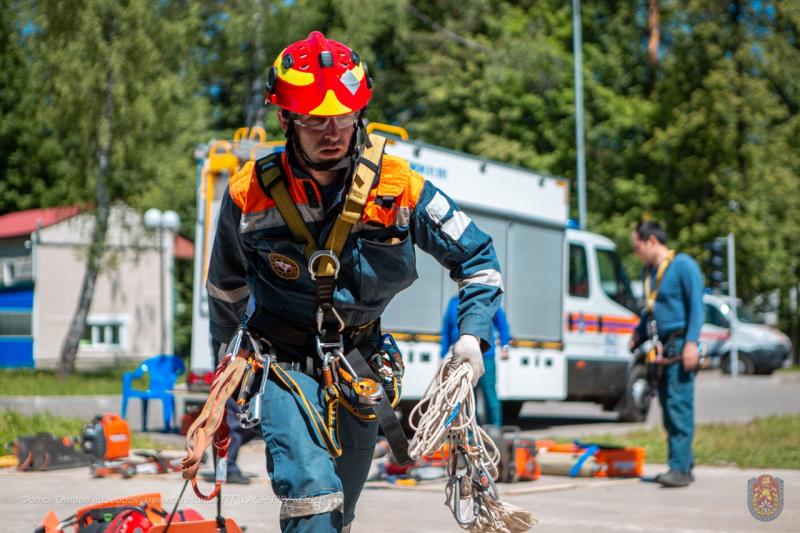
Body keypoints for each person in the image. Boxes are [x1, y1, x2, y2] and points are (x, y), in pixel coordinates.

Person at [206, 31, 502, 532]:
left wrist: (472, 336)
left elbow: (477, 257)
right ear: (286, 120)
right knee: (312, 497)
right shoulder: (248, 194)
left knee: (341, 508)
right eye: (316, 121)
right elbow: (225, 288)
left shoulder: (397, 188)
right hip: (282, 363)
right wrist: (226, 364)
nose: (332, 132)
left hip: (361, 365)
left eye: (343, 118)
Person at [630, 220, 704, 488]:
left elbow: (697, 307)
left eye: (637, 247)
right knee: (668, 407)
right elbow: (649, 309)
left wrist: (691, 343)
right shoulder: (648, 272)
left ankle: (679, 469)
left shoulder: (683, 265)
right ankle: (685, 464)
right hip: (660, 348)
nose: (636, 253)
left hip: (680, 344)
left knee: (679, 405)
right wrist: (638, 332)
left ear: (651, 241)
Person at [441, 295, 510, 426]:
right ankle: (471, 431)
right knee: (467, 397)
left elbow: (503, 325)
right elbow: (446, 330)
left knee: (489, 394)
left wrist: (505, 346)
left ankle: (494, 429)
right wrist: (442, 354)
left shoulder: (486, 299)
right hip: (463, 357)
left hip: (485, 357)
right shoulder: (453, 303)